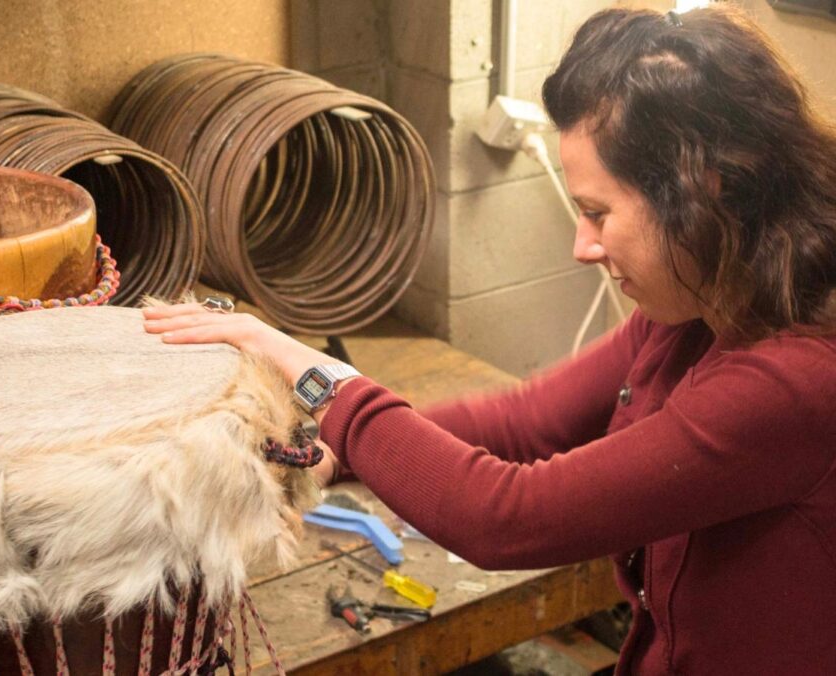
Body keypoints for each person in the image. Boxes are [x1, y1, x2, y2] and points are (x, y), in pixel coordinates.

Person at [143, 5, 836, 674]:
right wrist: (333, 454)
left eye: (598, 213)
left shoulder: (795, 381)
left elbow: (506, 517)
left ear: (704, 191)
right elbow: (527, 422)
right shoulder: (701, 302)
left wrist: (314, 376)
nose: (582, 245)